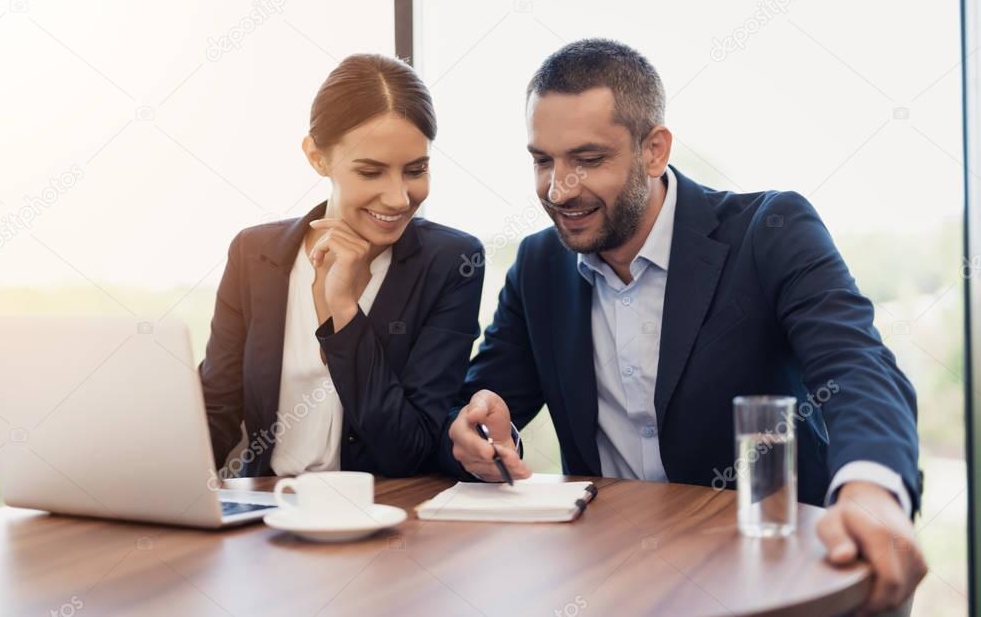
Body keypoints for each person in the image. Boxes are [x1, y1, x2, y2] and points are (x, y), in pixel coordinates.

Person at [440, 39, 926, 614]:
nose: (558, 189)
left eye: (588, 160)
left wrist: (870, 489)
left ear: (654, 150)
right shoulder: (539, 266)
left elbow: (856, 365)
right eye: (543, 160)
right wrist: (478, 431)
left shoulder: (770, 229)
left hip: (777, 571)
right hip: (613, 581)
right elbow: (481, 408)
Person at [201, 53, 484, 479]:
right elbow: (216, 415)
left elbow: (408, 449)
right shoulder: (254, 254)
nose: (398, 198)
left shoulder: (451, 263)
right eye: (371, 172)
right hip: (267, 518)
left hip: (387, 516)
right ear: (317, 157)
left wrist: (345, 311)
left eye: (415, 170)